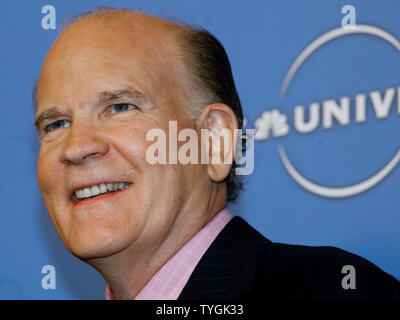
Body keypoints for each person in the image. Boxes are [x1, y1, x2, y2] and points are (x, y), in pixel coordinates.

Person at [33, 7, 400, 300]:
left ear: (214, 141)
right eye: (55, 125)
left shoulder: (333, 290)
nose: (77, 147)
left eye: (120, 107)